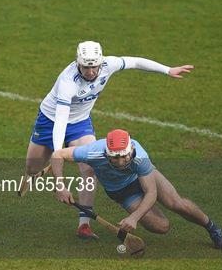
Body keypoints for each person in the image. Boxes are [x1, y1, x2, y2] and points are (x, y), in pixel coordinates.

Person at [24, 41, 194, 240]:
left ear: (100, 62)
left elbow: (135, 62)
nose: (90, 71)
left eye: (94, 66)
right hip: (51, 121)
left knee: (89, 169)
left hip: (80, 123)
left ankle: (83, 225)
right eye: (86, 67)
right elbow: (59, 128)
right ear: (78, 63)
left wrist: (167, 70)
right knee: (32, 168)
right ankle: (40, 170)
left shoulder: (108, 64)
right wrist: (59, 175)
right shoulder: (67, 83)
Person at [50, 129, 222, 250]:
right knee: (162, 226)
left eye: (124, 156)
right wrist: (60, 185)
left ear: (131, 149)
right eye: (115, 158)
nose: (121, 162)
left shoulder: (140, 158)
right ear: (106, 154)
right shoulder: (92, 151)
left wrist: (134, 218)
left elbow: (151, 192)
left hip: (143, 177)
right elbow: (58, 154)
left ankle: (212, 228)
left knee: (176, 203)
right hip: (122, 191)